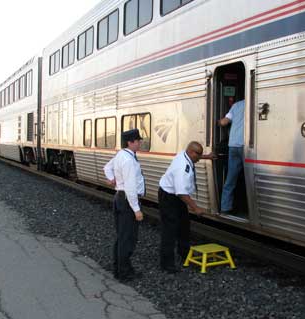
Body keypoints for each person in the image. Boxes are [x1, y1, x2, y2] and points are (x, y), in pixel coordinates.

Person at [158, 142, 215, 273]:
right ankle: (167, 264)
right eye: (198, 155)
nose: (199, 158)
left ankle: (184, 254)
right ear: (190, 152)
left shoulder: (185, 155)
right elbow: (181, 193)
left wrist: (207, 156)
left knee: (184, 226)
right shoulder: (182, 167)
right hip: (169, 197)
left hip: (176, 197)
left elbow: (181, 194)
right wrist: (196, 208)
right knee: (169, 230)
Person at [103, 129, 145, 281]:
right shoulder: (128, 160)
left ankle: (118, 268)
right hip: (127, 200)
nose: (140, 143)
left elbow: (107, 168)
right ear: (130, 142)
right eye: (137, 140)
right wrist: (137, 209)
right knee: (128, 238)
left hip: (119, 198)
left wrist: (111, 179)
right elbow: (130, 187)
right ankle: (124, 273)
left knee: (121, 236)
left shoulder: (121, 155)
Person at [217, 99, 245, 213]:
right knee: (250, 178)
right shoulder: (256, 100)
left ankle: (225, 207)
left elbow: (224, 122)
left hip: (233, 145)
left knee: (230, 179)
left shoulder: (236, 105)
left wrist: (218, 122)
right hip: (246, 146)